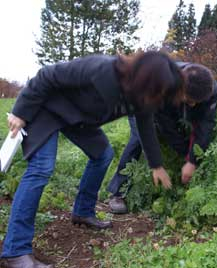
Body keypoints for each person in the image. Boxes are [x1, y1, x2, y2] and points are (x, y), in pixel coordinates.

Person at [1, 51, 184, 268]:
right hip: (46, 110)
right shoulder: (101, 68)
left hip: (76, 120)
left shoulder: (141, 96)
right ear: (144, 78)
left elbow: (145, 126)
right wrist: (21, 111)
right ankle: (15, 251)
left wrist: (156, 165)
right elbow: (47, 75)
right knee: (41, 168)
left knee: (103, 155)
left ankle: (83, 212)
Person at [107, 62, 217, 214]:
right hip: (141, 98)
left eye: (197, 102)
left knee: (190, 131)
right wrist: (180, 154)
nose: (193, 105)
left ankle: (183, 169)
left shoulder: (209, 88)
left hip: (174, 100)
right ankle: (118, 192)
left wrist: (192, 160)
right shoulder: (162, 85)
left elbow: (206, 126)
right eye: (190, 100)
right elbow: (167, 127)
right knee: (139, 138)